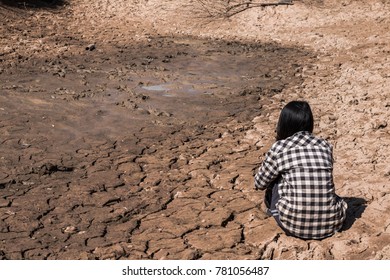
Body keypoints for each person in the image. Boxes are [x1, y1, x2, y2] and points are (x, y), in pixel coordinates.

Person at [254, 101, 347, 240]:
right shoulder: (325, 146)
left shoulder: (280, 148)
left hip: (294, 225)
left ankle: (273, 211)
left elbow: (260, 183)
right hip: (332, 224)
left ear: (284, 123)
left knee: (276, 178)